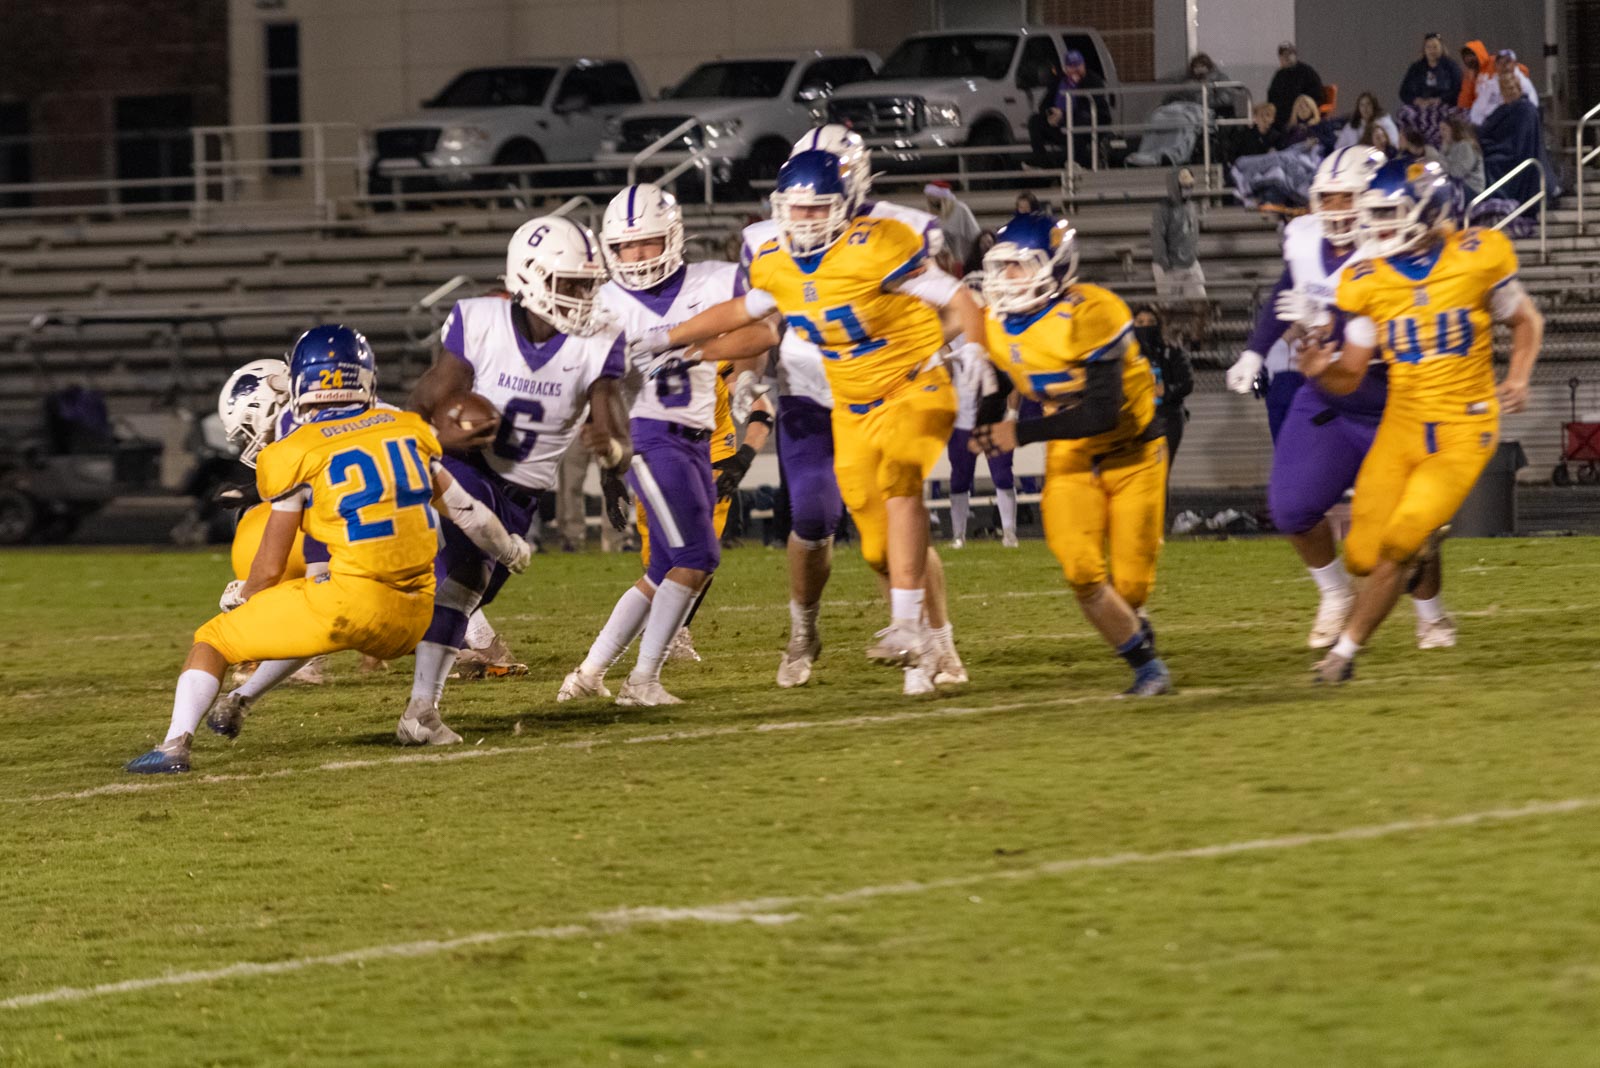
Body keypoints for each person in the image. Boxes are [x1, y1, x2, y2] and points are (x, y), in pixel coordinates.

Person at [642, 148, 988, 696]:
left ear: (846, 201)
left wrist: (969, 348)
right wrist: (675, 340)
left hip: (908, 386)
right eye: (795, 209)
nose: (804, 220)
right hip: (837, 402)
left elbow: (957, 299)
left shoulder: (884, 238)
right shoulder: (771, 253)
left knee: (901, 483)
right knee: (854, 535)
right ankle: (812, 632)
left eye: (816, 208)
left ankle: (924, 637)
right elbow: (751, 315)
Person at [124, 326, 533, 773]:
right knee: (311, 604)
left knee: (213, 640)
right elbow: (470, 513)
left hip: (349, 603)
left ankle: (173, 746)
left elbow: (269, 568)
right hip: (417, 617)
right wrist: (512, 550)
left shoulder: (292, 451)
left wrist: (242, 594)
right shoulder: (408, 429)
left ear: (301, 382)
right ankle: (423, 711)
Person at [1299, 159, 1543, 682]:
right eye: (1373, 214)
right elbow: (1351, 372)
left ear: (1428, 210)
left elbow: (1526, 321)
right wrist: (1321, 371)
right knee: (1362, 556)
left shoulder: (1477, 255)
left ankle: (1343, 655)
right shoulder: (1368, 280)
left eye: (1388, 214)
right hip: (1403, 425)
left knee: (1398, 544)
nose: (1376, 226)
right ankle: (1422, 548)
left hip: (1463, 428)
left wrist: (1519, 377)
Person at [738, 125, 954, 689]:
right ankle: (803, 630)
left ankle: (937, 644)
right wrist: (746, 375)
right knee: (812, 518)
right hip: (810, 392)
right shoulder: (769, 235)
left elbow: (940, 305)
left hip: (887, 392)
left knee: (896, 516)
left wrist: (933, 358)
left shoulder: (901, 229)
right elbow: (760, 316)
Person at [402, 215, 629, 742]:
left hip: (522, 494)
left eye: (586, 285)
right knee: (461, 568)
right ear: (530, 278)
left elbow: (617, 439)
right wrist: (436, 439)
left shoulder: (598, 340)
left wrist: (612, 455)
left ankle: (418, 709)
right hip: (465, 468)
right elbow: (425, 401)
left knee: (464, 594)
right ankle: (417, 706)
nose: (582, 297)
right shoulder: (481, 320)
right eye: (569, 284)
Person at [1230, 146, 1460, 649]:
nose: (1336, 210)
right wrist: (1254, 351)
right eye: (1328, 198)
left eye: (1347, 198)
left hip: (1394, 405)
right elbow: (1287, 289)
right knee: (1290, 508)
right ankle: (1334, 593)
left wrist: (1325, 322)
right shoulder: (1304, 238)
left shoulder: (1399, 243)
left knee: (1409, 526)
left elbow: (1402, 325)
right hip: (1330, 401)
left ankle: (1432, 616)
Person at [558, 184, 779, 706]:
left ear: (673, 238)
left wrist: (692, 347)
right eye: (625, 246)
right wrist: (611, 466)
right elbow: (592, 389)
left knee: (661, 571)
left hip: (699, 439)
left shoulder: (713, 280)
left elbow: (765, 333)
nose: (637, 255)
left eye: (648, 242)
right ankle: (643, 680)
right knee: (698, 556)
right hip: (649, 437)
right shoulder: (603, 304)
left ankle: (588, 674)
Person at [972, 214, 1171, 696]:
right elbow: (999, 380)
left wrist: (1019, 433)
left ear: (1055, 266)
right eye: (1001, 267)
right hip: (1072, 457)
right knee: (1082, 569)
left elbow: (1101, 412)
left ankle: (1133, 620)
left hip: (1134, 454)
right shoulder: (996, 324)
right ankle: (1147, 668)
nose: (1006, 278)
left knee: (1130, 588)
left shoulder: (1091, 313)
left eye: (1019, 266)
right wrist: (984, 423)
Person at [945, 273, 1018, 550]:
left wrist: (1012, 413)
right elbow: (938, 358)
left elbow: (1014, 377)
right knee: (959, 478)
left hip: (994, 413)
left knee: (1002, 475)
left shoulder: (999, 330)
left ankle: (1009, 532)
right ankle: (958, 534)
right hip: (963, 415)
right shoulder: (952, 332)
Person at [1132, 305, 1193, 472]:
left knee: (1160, 472)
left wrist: (1166, 390)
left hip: (1166, 418)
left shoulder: (1171, 350)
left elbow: (1186, 382)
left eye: (1151, 322)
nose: (1145, 326)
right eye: (1140, 322)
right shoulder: (1127, 354)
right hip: (1134, 420)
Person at [1029, 50, 1111, 167]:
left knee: (1078, 122)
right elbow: (1044, 103)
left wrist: (1064, 114)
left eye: (1078, 66)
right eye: (1072, 67)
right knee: (1034, 121)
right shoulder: (1059, 81)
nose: (1075, 70)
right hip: (1060, 123)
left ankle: (1078, 163)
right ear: (1066, 68)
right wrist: (1050, 113)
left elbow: (1090, 107)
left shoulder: (1093, 80)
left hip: (1087, 124)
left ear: (1083, 65)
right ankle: (1042, 163)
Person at [1480, 73, 1545, 205]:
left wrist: (1493, 147)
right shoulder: (1502, 110)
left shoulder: (1527, 110)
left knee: (1490, 163)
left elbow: (1521, 141)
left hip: (1515, 155)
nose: (1508, 92)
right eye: (1505, 89)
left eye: (1511, 88)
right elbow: (1486, 130)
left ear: (1518, 88)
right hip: (1500, 148)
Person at [1150, 167, 1206, 305]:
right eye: (1185, 186)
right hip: (1169, 267)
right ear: (1176, 186)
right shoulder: (1162, 209)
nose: (1188, 189)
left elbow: (1193, 232)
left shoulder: (1191, 207)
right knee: (1168, 309)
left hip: (1190, 264)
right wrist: (1164, 263)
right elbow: (1158, 237)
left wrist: (1194, 253)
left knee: (1200, 305)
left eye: (1190, 186)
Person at [1267, 42, 1323, 132]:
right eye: (1283, 55)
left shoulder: (1306, 72)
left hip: (1300, 113)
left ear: (1295, 55)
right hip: (1280, 116)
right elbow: (1271, 96)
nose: (1286, 57)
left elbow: (1317, 95)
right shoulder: (1279, 75)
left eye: (1289, 54)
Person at [1399, 33, 1463, 111]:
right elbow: (1404, 92)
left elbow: (1458, 89)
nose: (1432, 50)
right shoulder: (1416, 67)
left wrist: (1440, 99)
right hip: (1421, 105)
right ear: (1424, 49)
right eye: (1428, 47)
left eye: (1435, 47)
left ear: (1441, 48)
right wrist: (1416, 100)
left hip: (1444, 104)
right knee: (1405, 112)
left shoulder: (1451, 66)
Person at [924, 181, 981, 268]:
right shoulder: (931, 214)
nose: (930, 200)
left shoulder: (960, 210)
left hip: (960, 261)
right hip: (939, 263)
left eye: (932, 196)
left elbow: (975, 235)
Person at [1333, 93, 1398, 152]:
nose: (1365, 108)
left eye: (1368, 104)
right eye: (1362, 105)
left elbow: (1394, 144)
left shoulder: (1384, 123)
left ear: (1374, 106)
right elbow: (1338, 148)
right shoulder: (1351, 126)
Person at [1440, 115, 1485, 198]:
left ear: (1453, 130)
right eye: (1440, 129)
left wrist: (1442, 157)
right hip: (1457, 185)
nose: (1441, 133)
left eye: (1444, 129)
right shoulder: (1450, 146)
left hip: (1471, 188)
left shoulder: (1466, 145)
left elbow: (1458, 173)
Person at [1457, 41, 1490, 114]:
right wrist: (1460, 112)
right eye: (1466, 56)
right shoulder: (1469, 75)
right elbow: (1465, 98)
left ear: (1480, 54)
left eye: (1472, 55)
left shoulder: (1494, 64)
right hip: (1476, 111)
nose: (1469, 59)